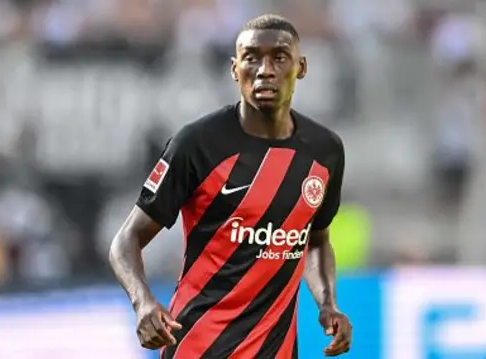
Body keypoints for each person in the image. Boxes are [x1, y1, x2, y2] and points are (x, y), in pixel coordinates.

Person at [110, 14, 352, 358]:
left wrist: (328, 303)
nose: (265, 70)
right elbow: (125, 240)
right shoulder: (198, 144)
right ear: (234, 69)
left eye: (279, 58)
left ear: (301, 67)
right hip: (198, 347)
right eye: (252, 58)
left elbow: (315, 240)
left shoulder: (325, 151)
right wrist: (143, 302)